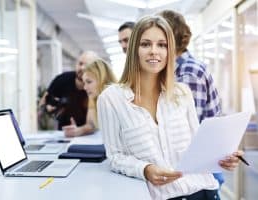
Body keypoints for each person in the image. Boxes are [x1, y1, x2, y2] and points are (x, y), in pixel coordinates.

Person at [97, 15, 242, 200]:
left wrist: (222, 157)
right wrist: (145, 169)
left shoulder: (182, 93)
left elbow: (197, 147)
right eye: (145, 44)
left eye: (162, 45)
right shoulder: (111, 99)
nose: (154, 51)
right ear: (134, 50)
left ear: (169, 50)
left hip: (204, 191)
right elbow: (115, 156)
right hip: (162, 196)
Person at [158, 10, 224, 186]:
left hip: (199, 169)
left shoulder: (188, 73)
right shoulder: (179, 69)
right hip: (195, 166)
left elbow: (187, 130)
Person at [39, 51, 98, 131]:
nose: (82, 68)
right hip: (64, 133)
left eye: (87, 65)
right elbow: (43, 102)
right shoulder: (62, 79)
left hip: (90, 135)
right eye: (80, 64)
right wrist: (48, 108)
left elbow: (91, 125)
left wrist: (78, 131)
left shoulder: (96, 86)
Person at [63, 59, 117, 137]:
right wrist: (77, 131)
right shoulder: (94, 98)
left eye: (89, 82)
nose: (85, 88)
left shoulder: (119, 99)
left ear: (103, 79)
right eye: (84, 83)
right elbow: (91, 124)